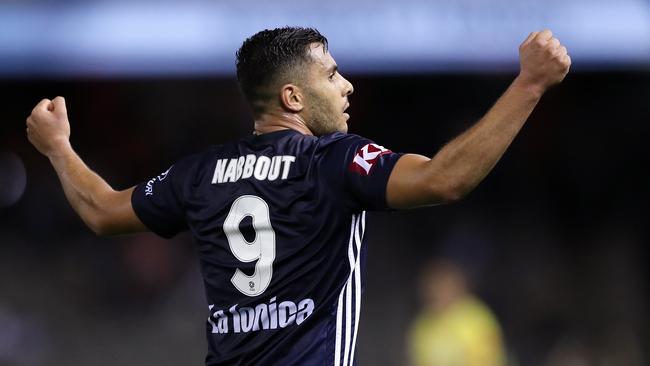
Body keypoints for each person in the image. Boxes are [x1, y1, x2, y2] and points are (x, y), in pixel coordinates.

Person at [25, 27, 570, 365]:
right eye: (332, 75)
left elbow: (100, 211)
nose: (347, 85)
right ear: (293, 96)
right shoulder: (330, 161)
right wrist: (529, 86)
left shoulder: (200, 173)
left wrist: (57, 148)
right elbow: (445, 179)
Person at [407, 259, 506, 366]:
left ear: (458, 286)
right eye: (431, 287)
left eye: (442, 286)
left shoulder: (477, 320)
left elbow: (489, 361)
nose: (435, 293)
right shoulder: (423, 324)